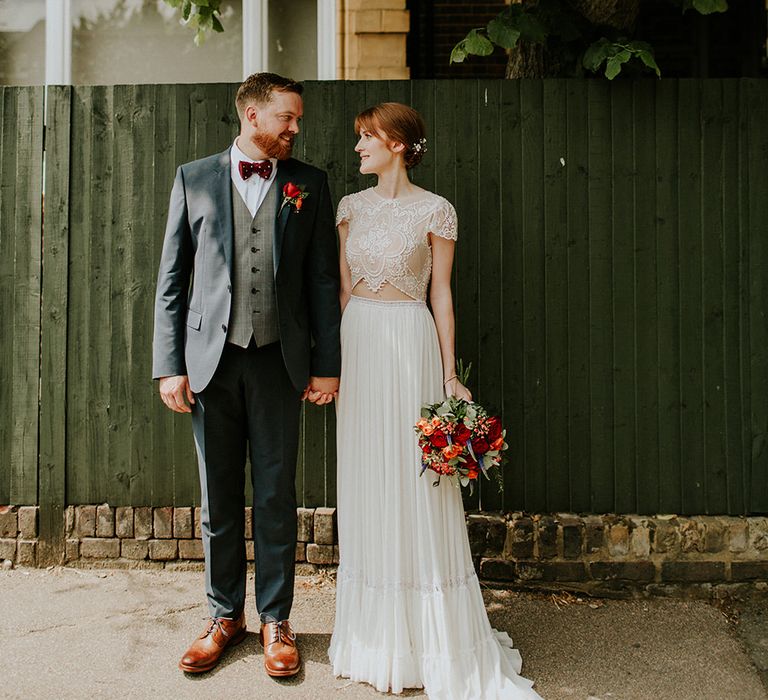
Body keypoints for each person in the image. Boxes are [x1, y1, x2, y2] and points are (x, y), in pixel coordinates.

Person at [329, 102, 541, 699]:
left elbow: (441, 293)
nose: (358, 148)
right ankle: (376, 637)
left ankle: (431, 636)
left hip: (411, 339)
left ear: (397, 143)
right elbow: (343, 291)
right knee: (369, 476)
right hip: (360, 347)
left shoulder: (435, 210)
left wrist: (450, 375)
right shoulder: (349, 209)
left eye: (366, 137)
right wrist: (333, 367)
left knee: (416, 480)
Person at [152, 72, 341, 678]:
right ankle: (221, 615)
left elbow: (320, 281)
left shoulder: (309, 183)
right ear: (253, 115)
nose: (295, 128)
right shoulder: (194, 177)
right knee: (218, 498)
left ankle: (276, 619)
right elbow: (172, 284)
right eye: (287, 117)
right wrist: (169, 366)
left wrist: (327, 364)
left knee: (276, 493)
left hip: (280, 363)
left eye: (297, 120)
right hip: (210, 363)